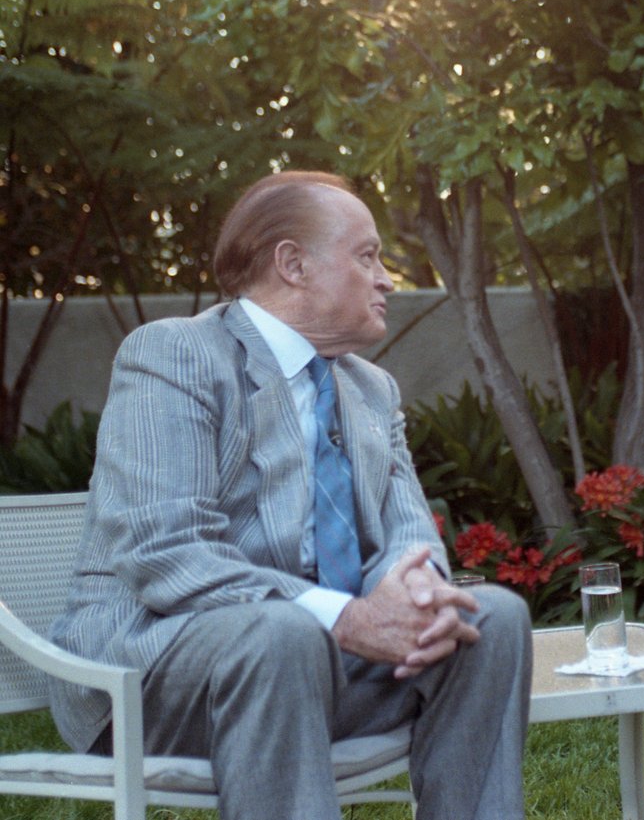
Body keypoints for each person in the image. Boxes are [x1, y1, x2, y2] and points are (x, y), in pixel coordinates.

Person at [49, 171, 532, 820]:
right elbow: (164, 551)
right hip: (151, 683)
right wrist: (347, 616)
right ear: (293, 264)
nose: (387, 278)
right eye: (367, 255)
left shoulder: (371, 389)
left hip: (313, 662)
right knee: (283, 633)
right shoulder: (175, 354)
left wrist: (415, 594)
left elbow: (410, 530)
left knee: (488, 619)